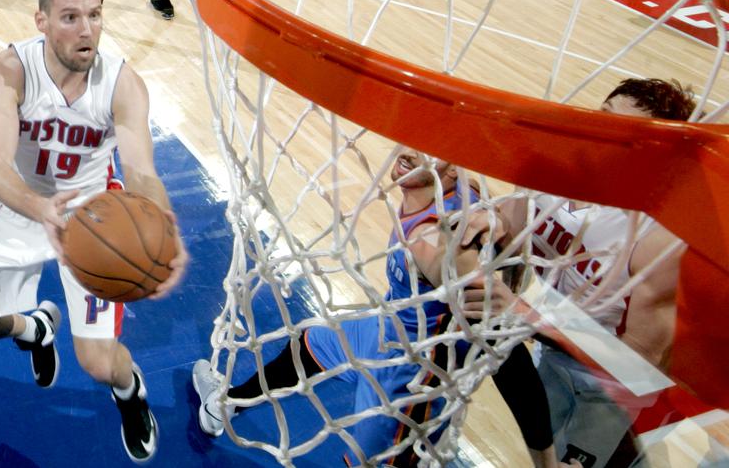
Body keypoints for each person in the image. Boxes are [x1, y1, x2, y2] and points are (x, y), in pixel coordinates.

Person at [0, 0, 188, 464]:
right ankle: (35, 327)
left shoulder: (122, 82)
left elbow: (143, 174)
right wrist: (40, 208)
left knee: (99, 364)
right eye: (70, 17)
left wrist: (167, 232)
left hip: (93, 215)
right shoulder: (7, 70)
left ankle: (130, 393)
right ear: (41, 21)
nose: (87, 29)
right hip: (20, 203)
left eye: (95, 15)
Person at [192, 151, 547, 465]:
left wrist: (547, 463)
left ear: (452, 170)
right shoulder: (461, 200)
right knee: (310, 343)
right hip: (387, 331)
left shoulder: (436, 241)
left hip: (411, 380)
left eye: (428, 149)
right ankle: (225, 406)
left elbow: (506, 355)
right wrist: (498, 218)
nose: (410, 152)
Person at [464, 79, 695, 468]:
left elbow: (640, 362)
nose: (600, 133)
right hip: (554, 352)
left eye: (622, 132)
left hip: (616, 391)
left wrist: (530, 314)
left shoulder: (660, 236)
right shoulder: (552, 171)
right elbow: (511, 224)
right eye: (603, 117)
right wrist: (490, 217)